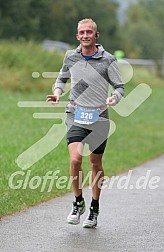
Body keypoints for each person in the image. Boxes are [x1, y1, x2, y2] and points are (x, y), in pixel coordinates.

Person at [47, 18, 124, 228]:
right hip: (75, 114)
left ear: (96, 36)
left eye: (89, 32)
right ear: (77, 36)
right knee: (74, 160)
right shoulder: (70, 56)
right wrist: (57, 94)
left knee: (95, 163)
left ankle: (94, 208)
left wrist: (114, 98)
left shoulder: (108, 60)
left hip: (99, 117)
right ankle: (78, 202)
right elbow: (61, 78)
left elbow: (119, 87)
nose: (85, 35)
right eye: (82, 32)